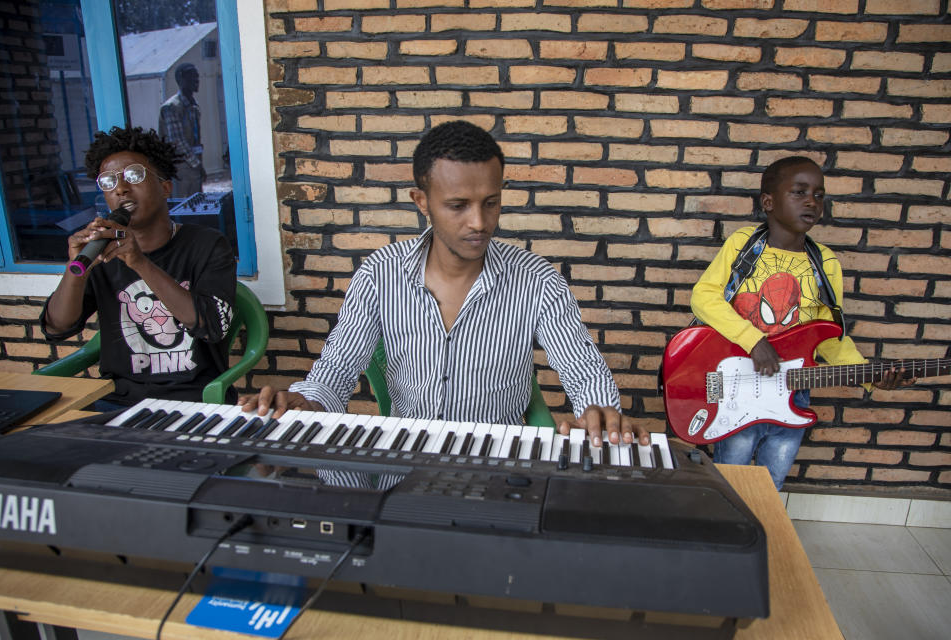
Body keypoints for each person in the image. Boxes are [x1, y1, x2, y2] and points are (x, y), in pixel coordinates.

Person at [241, 120, 648, 448]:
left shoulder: (536, 280)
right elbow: (338, 367)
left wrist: (599, 410)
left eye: (491, 202)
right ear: (422, 201)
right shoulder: (380, 275)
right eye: (458, 206)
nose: (480, 222)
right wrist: (306, 401)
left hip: (499, 462)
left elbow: (583, 367)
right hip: (406, 460)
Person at [690, 156, 911, 489]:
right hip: (738, 389)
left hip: (794, 394)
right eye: (799, 192)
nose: (812, 201)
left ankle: (766, 536)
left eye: (819, 194)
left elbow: (830, 338)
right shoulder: (743, 245)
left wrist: (870, 377)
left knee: (772, 481)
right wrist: (754, 341)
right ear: (769, 202)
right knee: (730, 481)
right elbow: (704, 297)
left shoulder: (826, 264)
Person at [40, 125, 236, 409]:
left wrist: (139, 262)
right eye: (108, 182)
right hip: (117, 401)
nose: (120, 188)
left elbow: (213, 327)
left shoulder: (206, 245)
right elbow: (58, 327)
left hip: (193, 401)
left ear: (165, 186)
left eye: (134, 176)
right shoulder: (104, 251)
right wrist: (76, 268)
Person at [159, 63, 204, 198]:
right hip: (181, 166)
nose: (196, 80)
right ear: (181, 79)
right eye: (192, 77)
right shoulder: (171, 107)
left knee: (198, 205)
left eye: (197, 76)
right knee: (185, 207)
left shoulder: (193, 105)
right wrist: (197, 165)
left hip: (193, 162)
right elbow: (177, 142)